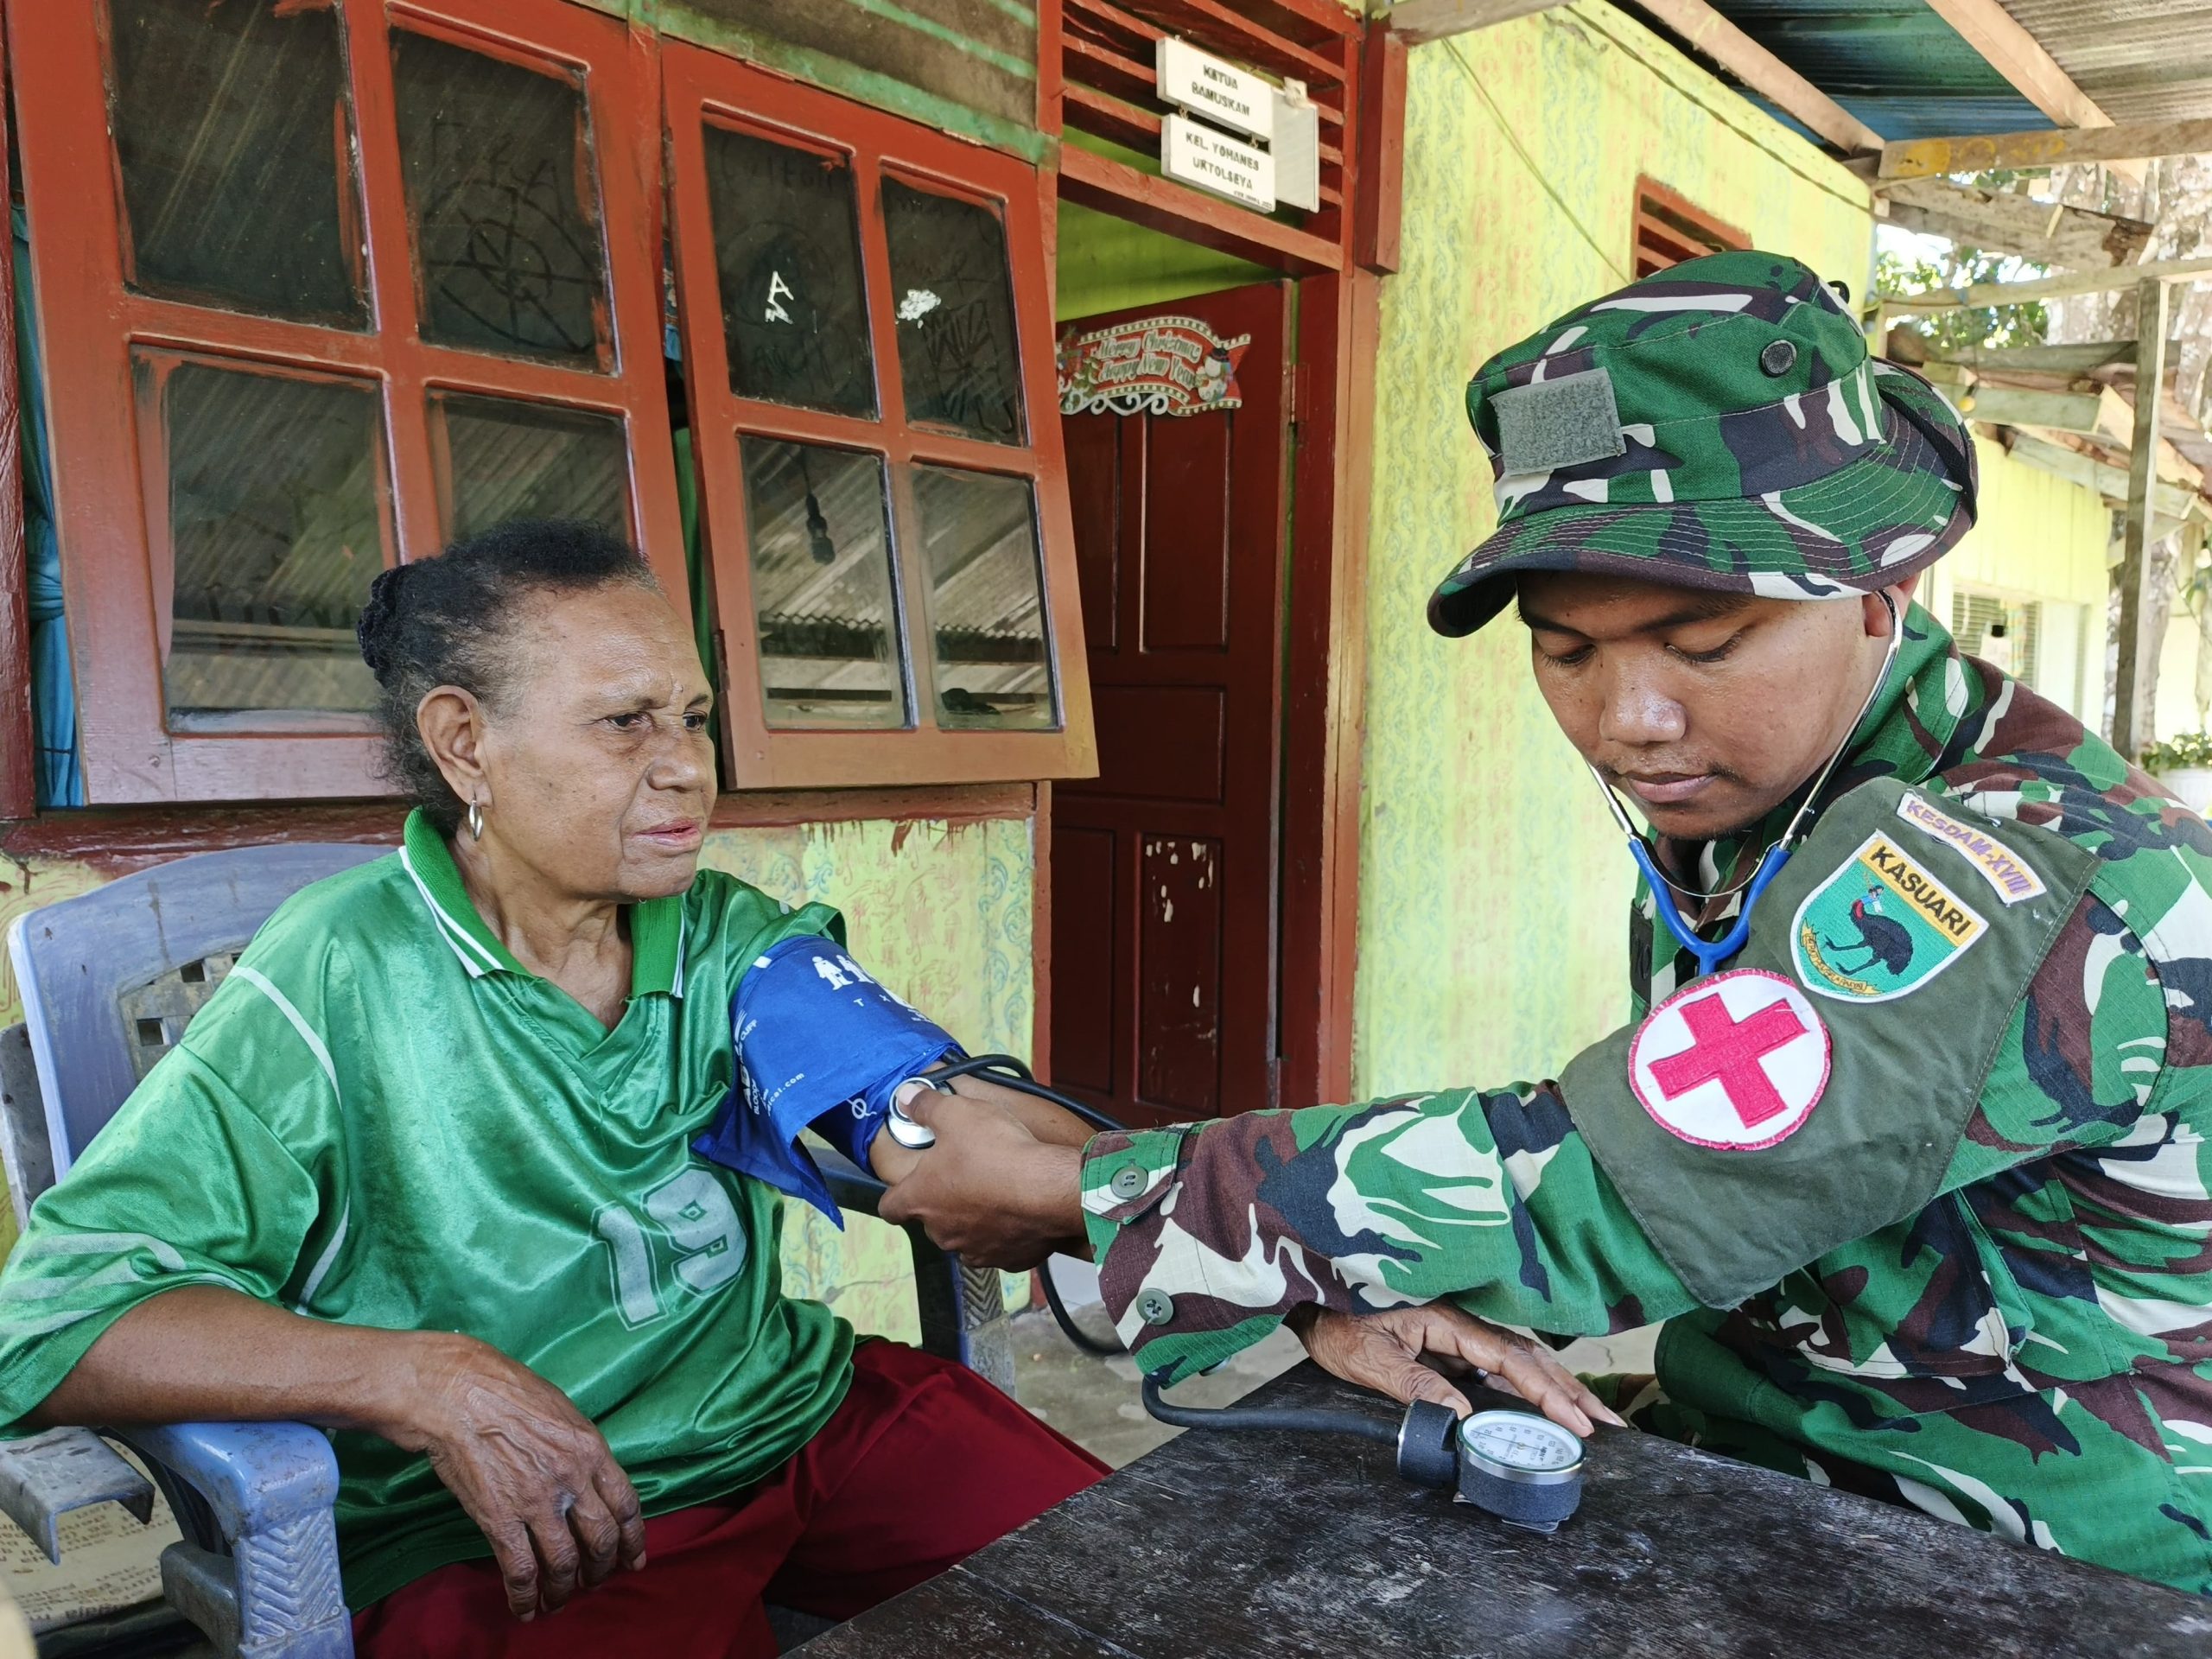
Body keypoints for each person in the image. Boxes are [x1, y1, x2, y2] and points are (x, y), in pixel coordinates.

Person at [878, 250, 2212, 1594]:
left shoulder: (2020, 865)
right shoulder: (1766, 803)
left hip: (2053, 1566)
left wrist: (1082, 1195)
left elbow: (1628, 1180)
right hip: (1785, 1453)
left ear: (1882, 591)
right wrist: (1349, 1285)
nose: (1629, 721)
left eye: (1703, 642)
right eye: (1566, 650)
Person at [0, 520, 1127, 1656]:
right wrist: (430, 1383)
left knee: (1149, 1581)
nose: (687, 766)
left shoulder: (728, 938)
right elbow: (59, 1321)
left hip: (797, 1423)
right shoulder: (337, 978)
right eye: (624, 722)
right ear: (465, 744)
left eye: (694, 718)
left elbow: (932, 1112)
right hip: (518, 1529)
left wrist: (1185, 1197)